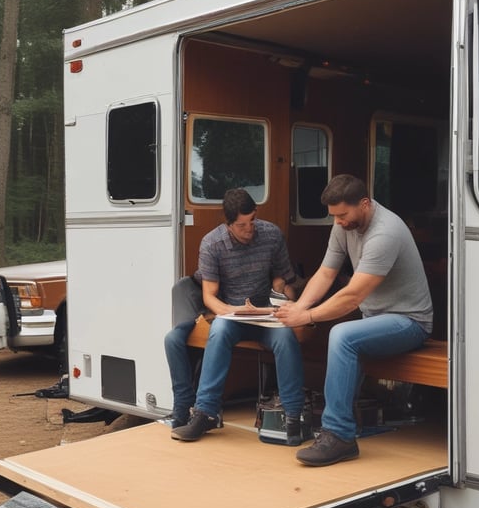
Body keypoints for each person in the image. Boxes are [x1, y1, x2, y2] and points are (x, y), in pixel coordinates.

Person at [274, 174, 433, 466]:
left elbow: (353, 296)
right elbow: (326, 273)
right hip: (374, 318)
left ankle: (339, 435)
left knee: (343, 335)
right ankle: (338, 424)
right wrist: (298, 307)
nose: (338, 222)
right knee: (344, 335)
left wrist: (306, 315)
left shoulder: (385, 232)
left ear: (364, 204)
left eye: (343, 215)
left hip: (409, 322)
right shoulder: (343, 225)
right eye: (334, 216)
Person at [170, 188, 306, 445]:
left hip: (265, 314)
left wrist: (280, 293)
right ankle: (204, 414)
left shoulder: (271, 234)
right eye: (242, 225)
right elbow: (209, 296)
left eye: (252, 220)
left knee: (286, 337)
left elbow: (283, 278)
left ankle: (293, 416)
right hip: (232, 315)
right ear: (228, 223)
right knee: (219, 331)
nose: (249, 229)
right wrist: (234, 311)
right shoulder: (212, 243)